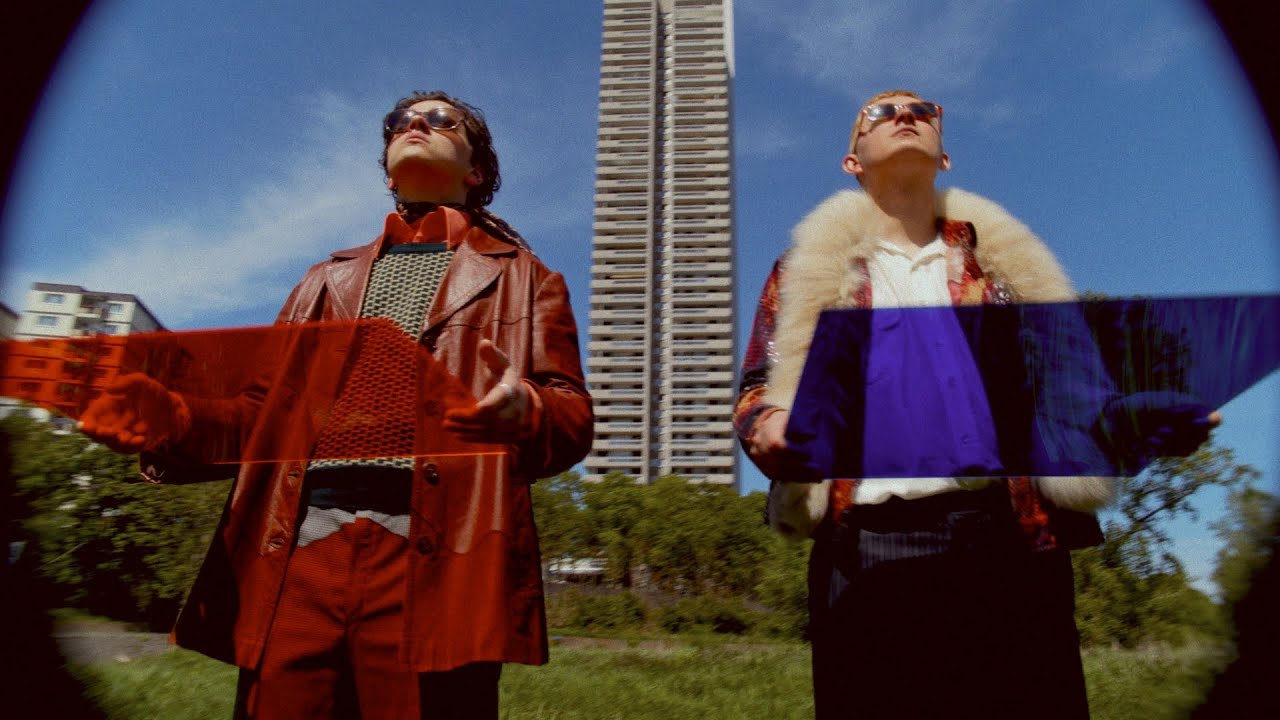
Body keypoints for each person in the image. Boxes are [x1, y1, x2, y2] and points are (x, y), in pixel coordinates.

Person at [79, 90, 594, 719]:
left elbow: (571, 414)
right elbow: (258, 415)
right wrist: (174, 418)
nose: (415, 125)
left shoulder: (529, 277)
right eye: (400, 123)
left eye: (440, 120)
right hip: (299, 551)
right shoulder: (322, 279)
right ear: (388, 171)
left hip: (439, 557)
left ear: (476, 170)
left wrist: (528, 410)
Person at [734, 89, 1217, 719]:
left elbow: (1074, 399)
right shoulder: (804, 273)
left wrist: (1136, 421)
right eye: (881, 113)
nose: (905, 116)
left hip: (1011, 544)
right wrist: (771, 424)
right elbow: (758, 387)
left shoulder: (1010, 273)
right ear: (852, 161)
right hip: (867, 546)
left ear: (945, 157)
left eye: (923, 112)